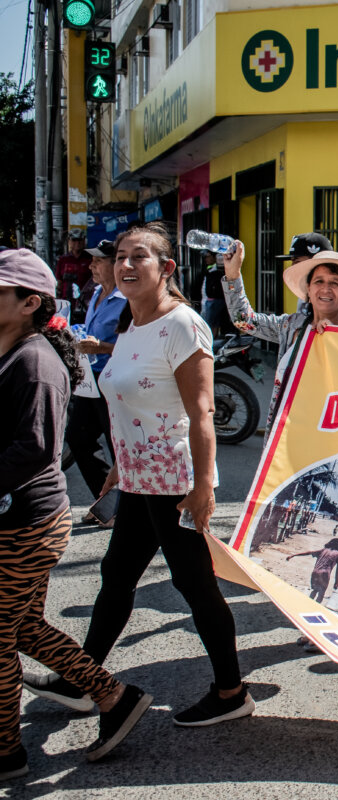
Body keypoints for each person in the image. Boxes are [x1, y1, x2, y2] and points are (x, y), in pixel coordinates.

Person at [25, 223, 255, 728]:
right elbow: (127, 403)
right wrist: (118, 471)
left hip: (174, 481)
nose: (126, 265)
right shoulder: (131, 324)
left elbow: (200, 414)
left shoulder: (183, 324)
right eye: (122, 257)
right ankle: (83, 679)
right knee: (116, 578)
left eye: (140, 257)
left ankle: (231, 691)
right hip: (138, 478)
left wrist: (202, 488)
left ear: (166, 268)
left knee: (195, 586)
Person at [0, 250, 152, 776]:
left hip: (26, 523)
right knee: (19, 628)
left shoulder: (35, 363)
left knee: (2, 631)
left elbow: (35, 450)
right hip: (15, 517)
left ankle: (6, 752)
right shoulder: (13, 348)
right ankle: (114, 696)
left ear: (29, 304)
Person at [223, 241, 338, 435]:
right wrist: (233, 274)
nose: (326, 289)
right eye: (319, 282)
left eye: (335, 283)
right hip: (287, 436)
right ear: (308, 290)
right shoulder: (290, 325)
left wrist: (335, 340)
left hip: (333, 440)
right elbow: (243, 320)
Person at [65, 239, 127, 501]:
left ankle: (123, 507)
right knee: (78, 439)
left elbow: (137, 345)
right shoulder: (96, 293)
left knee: (118, 448)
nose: (91, 265)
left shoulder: (127, 299)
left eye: (98, 261)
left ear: (115, 265)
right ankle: (107, 502)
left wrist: (101, 347)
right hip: (90, 380)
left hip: (115, 380)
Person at [288, 537, 338, 604]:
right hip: (325, 574)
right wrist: (336, 582)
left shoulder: (324, 550)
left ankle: (307, 605)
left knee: (314, 590)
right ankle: (315, 607)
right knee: (321, 593)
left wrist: (294, 555)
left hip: (315, 572)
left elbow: (309, 553)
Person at [55, 231, 93, 323]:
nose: (77, 243)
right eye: (74, 240)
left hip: (86, 302)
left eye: (80, 240)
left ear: (84, 241)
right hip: (67, 301)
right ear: (69, 241)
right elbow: (59, 281)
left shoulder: (90, 259)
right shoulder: (63, 259)